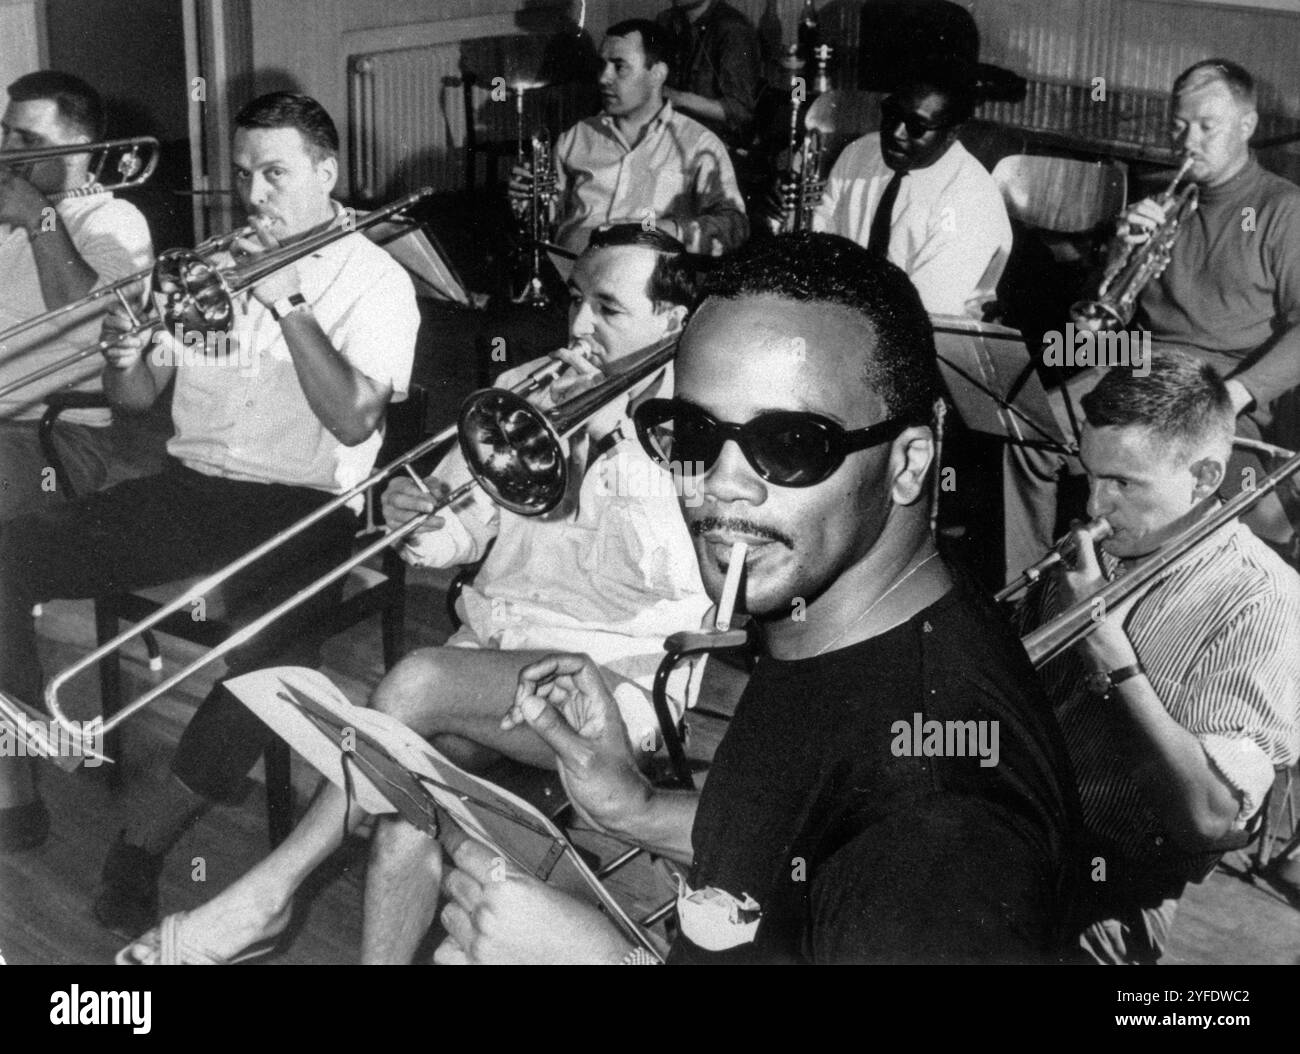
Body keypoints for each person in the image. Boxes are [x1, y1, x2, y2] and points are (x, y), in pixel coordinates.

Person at [434, 231, 1082, 965]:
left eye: (793, 443)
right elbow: (812, 837)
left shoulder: (941, 821)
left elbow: (879, 836)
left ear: (909, 464)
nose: (721, 483)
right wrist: (636, 808)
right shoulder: (840, 623)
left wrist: (606, 961)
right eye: (692, 434)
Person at [112, 223, 711, 964]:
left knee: (416, 682)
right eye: (576, 300)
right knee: (403, 816)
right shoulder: (531, 386)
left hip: (610, 693)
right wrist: (420, 519)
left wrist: (612, 451)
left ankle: (266, 896)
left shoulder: (701, 437)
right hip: (493, 659)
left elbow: (692, 585)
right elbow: (459, 528)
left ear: (673, 321)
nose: (580, 325)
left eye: (609, 309)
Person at [0, 93, 419, 872]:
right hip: (189, 489)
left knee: (274, 658)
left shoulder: (376, 280)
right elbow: (135, 401)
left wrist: (286, 299)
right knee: (4, 551)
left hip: (308, 506)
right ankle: (17, 765)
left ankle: (147, 839)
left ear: (326, 173)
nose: (254, 194)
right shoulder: (203, 266)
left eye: (275, 173)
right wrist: (125, 355)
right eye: (243, 174)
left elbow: (357, 422)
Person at [1016, 350, 1300, 964]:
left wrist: (1111, 656)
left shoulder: (1262, 598)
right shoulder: (1105, 543)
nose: (1094, 506)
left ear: (1203, 478)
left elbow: (1209, 816)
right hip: (1006, 829)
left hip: (1106, 892)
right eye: (1091, 474)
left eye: (1123, 483)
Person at [1006, 59, 1300, 578]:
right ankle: (1030, 592)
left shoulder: (1283, 209)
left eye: (1207, 127)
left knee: (1239, 523)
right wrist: (1117, 259)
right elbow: (1092, 335)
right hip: (1138, 365)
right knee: (1026, 430)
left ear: (1247, 127)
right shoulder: (1162, 204)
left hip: (1219, 383)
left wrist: (1237, 393)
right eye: (1179, 126)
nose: (1189, 141)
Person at [0, 71, 163, 521]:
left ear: (81, 148)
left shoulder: (113, 220)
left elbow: (96, 331)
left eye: (28, 140)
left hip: (52, 437)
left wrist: (39, 218)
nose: (7, 151)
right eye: (4, 133)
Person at [510, 18, 748, 266]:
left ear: (657, 74)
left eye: (619, 67)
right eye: (602, 65)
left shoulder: (697, 143)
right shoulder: (576, 137)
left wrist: (669, 229)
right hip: (571, 274)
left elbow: (735, 226)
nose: (604, 78)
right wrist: (526, 200)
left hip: (646, 287)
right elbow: (547, 218)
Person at [809, 62, 1011, 316]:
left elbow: (922, 311)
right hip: (849, 316)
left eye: (917, 126)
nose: (896, 132)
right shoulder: (859, 153)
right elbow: (820, 240)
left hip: (935, 334)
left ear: (952, 132)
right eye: (892, 113)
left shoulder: (973, 201)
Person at [655, 0, 762, 153]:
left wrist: (677, 98)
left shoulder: (734, 29)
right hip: (671, 135)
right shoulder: (666, 20)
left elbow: (739, 111)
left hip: (717, 146)